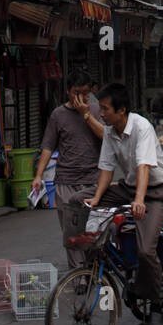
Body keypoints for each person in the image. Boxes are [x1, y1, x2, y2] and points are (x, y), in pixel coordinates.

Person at [78, 83, 163, 325]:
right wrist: (97, 197)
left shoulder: (142, 127)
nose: (101, 114)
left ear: (121, 111)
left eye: (105, 109)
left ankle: (156, 305)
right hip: (127, 188)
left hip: (154, 194)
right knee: (77, 200)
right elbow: (107, 168)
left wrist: (140, 200)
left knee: (145, 250)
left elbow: (144, 167)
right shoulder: (110, 131)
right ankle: (88, 256)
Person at [31, 69, 104, 269]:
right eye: (76, 92)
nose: (80, 97)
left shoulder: (98, 111)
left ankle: (94, 269)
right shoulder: (58, 115)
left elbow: (107, 138)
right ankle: (78, 274)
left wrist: (86, 115)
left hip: (93, 181)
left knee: (93, 229)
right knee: (71, 233)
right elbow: (48, 146)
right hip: (65, 181)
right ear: (67, 92)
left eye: (85, 92)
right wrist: (38, 175)